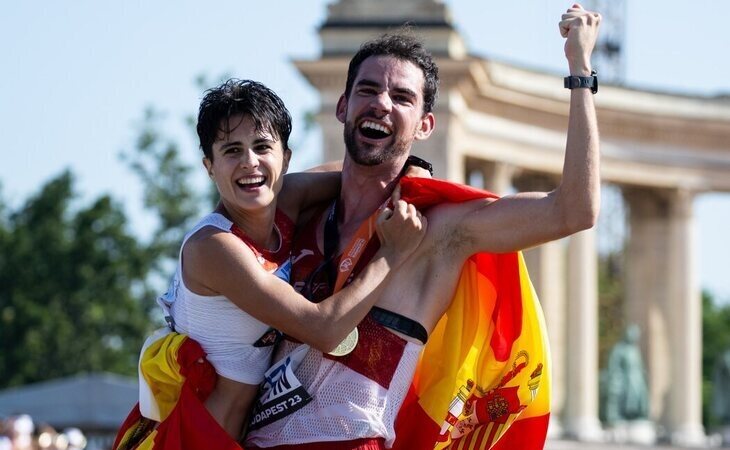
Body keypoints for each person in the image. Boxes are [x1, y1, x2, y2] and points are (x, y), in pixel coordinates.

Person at [245, 3, 601, 449]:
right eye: (368, 90)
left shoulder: (441, 228)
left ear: (426, 125)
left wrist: (580, 71)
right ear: (343, 106)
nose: (381, 103)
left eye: (402, 98)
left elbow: (573, 210)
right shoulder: (303, 211)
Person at [115, 79, 427, 446]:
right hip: (196, 437)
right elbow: (325, 330)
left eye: (262, 146)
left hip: (249, 435)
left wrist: (412, 171)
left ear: (287, 158)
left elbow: (356, 179)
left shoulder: (287, 200)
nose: (250, 163)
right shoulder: (215, 247)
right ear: (209, 166)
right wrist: (393, 254)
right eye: (232, 150)